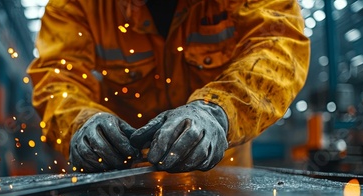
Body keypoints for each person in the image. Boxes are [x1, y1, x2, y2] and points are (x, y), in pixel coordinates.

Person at [28, 0, 310, 173]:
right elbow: (58, 77)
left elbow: (278, 47)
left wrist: (218, 112)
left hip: (220, 175)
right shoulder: (76, 5)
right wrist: (79, 123)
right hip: (119, 179)